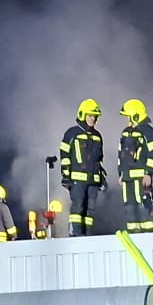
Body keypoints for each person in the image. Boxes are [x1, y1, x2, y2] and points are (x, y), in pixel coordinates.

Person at [60, 101, 105, 235]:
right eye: (90, 115)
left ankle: (88, 237)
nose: (93, 119)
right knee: (78, 208)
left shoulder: (97, 136)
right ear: (82, 115)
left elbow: (99, 159)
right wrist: (66, 176)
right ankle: (76, 235)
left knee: (90, 211)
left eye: (95, 116)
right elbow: (65, 155)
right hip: (77, 180)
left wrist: (102, 178)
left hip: (93, 181)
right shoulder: (72, 133)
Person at [117, 98, 153, 232]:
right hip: (127, 177)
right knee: (129, 207)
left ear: (136, 115)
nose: (128, 120)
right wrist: (121, 174)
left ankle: (148, 235)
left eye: (129, 116)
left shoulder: (149, 132)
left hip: (141, 178)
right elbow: (121, 154)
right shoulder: (126, 132)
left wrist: (148, 173)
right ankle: (133, 234)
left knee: (143, 207)